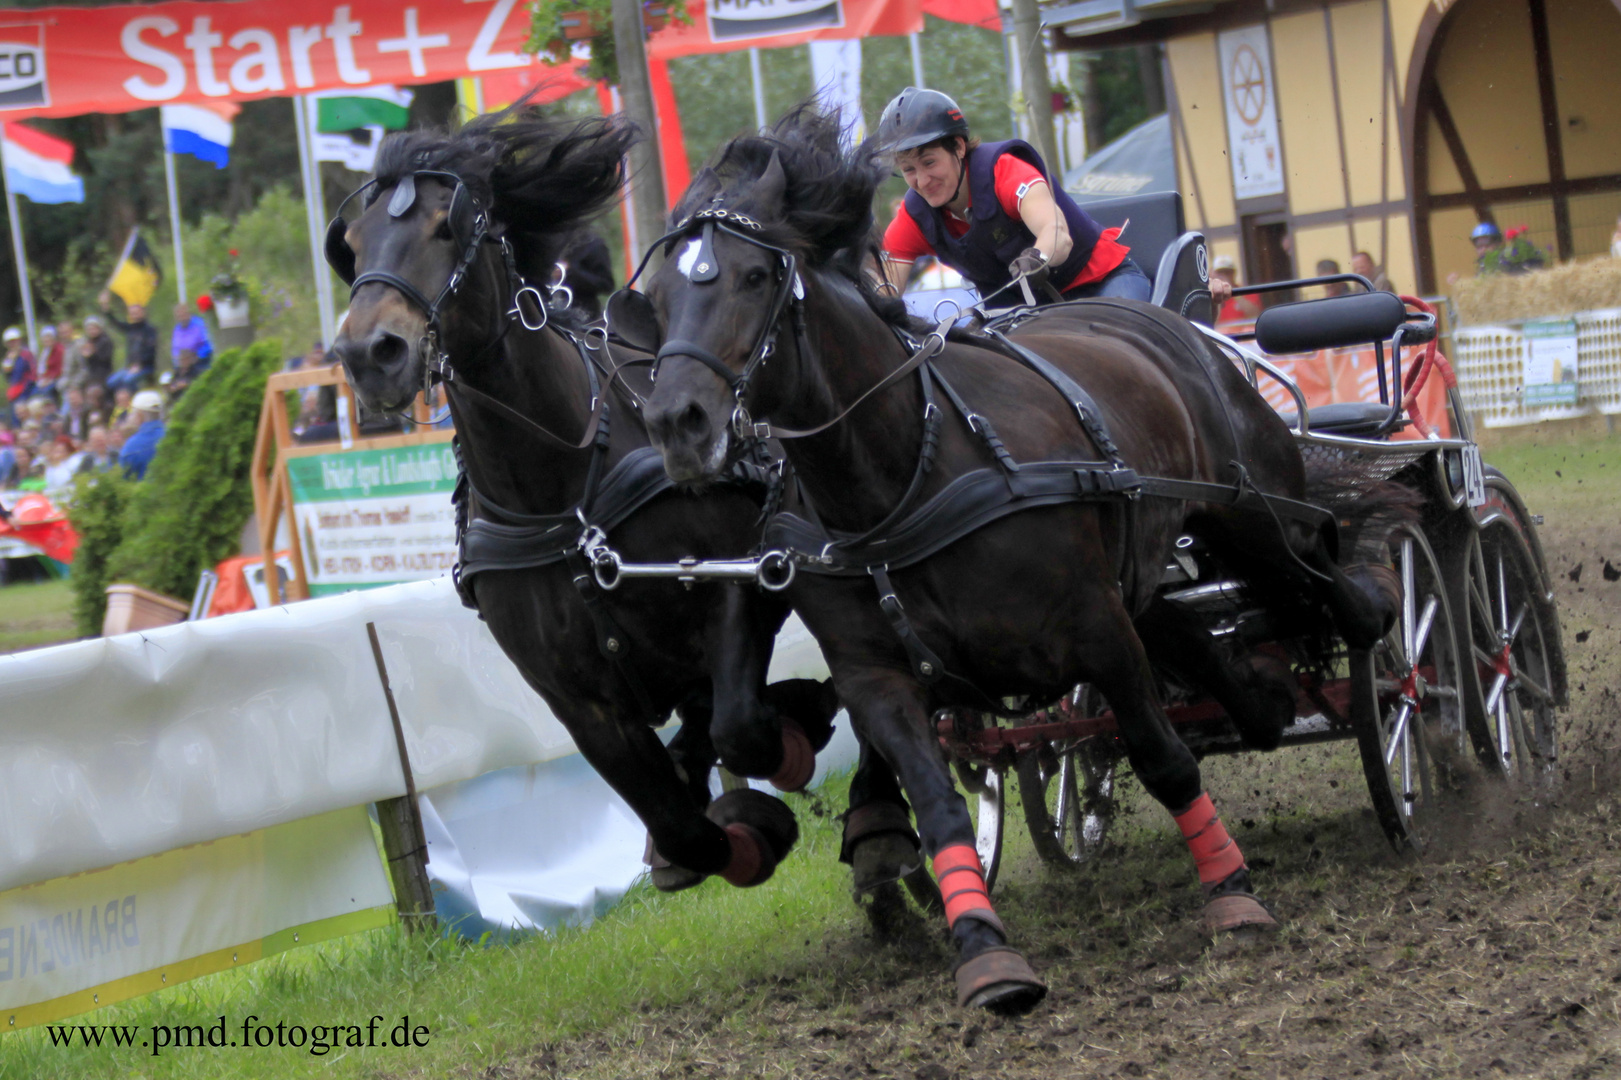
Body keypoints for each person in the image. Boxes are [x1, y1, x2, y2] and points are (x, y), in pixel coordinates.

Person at [875, 87, 1153, 306]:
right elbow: (885, 289)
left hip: (1099, 282)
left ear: (958, 147)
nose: (922, 181)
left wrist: (1038, 258)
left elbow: (1056, 233)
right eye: (909, 169)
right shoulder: (914, 215)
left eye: (929, 163)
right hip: (1029, 313)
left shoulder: (1004, 171)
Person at [98, 290, 158, 382]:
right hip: (129, 367)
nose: (134, 315)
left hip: (145, 367)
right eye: (132, 313)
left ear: (143, 312)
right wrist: (105, 307)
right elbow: (115, 323)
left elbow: (150, 350)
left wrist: (140, 364)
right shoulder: (130, 328)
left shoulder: (150, 330)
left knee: (128, 381)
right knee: (111, 382)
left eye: (137, 312)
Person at [119, 389, 166, 479]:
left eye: (132, 413)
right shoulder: (172, 435)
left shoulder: (132, 446)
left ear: (139, 415)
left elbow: (124, 482)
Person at [1471, 221, 1545, 276]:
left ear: (1498, 243)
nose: (1483, 249)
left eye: (1487, 245)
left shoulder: (1507, 261)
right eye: (1479, 246)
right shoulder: (1482, 269)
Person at [63, 316, 115, 391]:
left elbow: (104, 358)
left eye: (94, 328)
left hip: (102, 373)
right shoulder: (87, 341)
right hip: (89, 373)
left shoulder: (105, 341)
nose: (92, 331)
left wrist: (92, 353)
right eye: (89, 329)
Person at [1211, 255, 1259, 325]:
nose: (1224, 276)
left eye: (1227, 272)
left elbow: (1255, 315)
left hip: (1243, 333)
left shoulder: (1247, 292)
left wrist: (1233, 290)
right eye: (1220, 273)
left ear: (1234, 273)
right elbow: (1213, 323)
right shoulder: (1210, 296)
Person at [170, 301, 214, 368]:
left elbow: (208, 345)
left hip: (200, 361)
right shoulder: (177, 329)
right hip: (183, 364)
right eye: (179, 316)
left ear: (188, 314)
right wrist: (177, 360)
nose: (182, 318)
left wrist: (196, 356)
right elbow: (175, 349)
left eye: (184, 315)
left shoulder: (199, 324)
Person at [3, 327, 35, 419]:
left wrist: (28, 385)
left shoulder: (26, 354)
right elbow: (8, 376)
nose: (12, 344)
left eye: (14, 341)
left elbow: (33, 371)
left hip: (26, 388)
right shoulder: (8, 357)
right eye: (10, 342)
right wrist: (10, 361)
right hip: (14, 390)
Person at [35, 325, 63, 397]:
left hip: (56, 379)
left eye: (49, 337)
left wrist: (48, 379)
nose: (47, 340)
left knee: (45, 392)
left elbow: (59, 369)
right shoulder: (45, 351)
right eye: (45, 338)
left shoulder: (59, 350)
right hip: (45, 380)